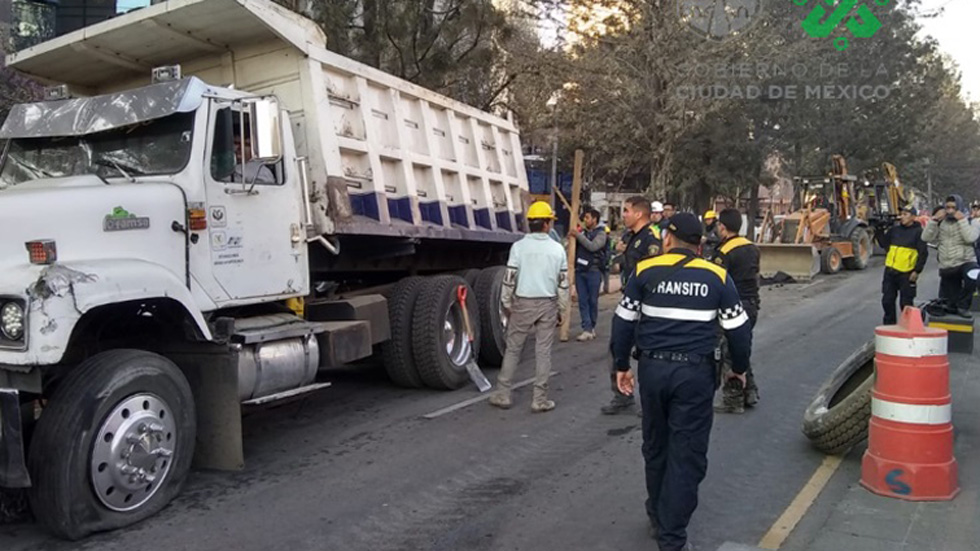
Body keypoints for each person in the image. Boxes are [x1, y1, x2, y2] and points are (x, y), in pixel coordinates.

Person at [611, 212, 752, 551]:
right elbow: (739, 330)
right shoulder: (717, 276)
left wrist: (620, 365)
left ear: (668, 240)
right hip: (695, 375)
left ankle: (659, 515)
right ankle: (673, 537)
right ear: (700, 245)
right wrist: (740, 368)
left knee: (656, 444)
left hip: (653, 371)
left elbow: (623, 322)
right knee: (686, 452)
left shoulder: (645, 271)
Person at [489, 201, 570, 413]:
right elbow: (563, 284)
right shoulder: (557, 249)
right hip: (548, 303)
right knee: (543, 351)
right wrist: (562, 309)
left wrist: (507, 303)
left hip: (522, 302)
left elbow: (509, 279)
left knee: (513, 349)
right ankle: (540, 398)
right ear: (546, 224)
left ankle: (503, 393)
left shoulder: (518, 247)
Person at [603, 196, 663, 415]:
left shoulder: (651, 238)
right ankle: (622, 394)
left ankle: (651, 402)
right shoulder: (631, 236)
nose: (624, 214)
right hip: (628, 301)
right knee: (617, 346)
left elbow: (654, 272)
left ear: (639, 214)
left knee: (647, 353)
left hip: (645, 305)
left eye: (627, 210)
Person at [711, 208, 762, 413]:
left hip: (733, 307)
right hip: (751, 305)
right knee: (741, 349)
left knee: (729, 352)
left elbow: (717, 281)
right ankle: (749, 391)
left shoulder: (723, 252)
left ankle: (733, 399)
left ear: (723, 227)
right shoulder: (752, 247)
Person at [922, 195, 980, 318]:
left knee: (974, 274)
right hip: (948, 264)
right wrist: (934, 221)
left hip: (966, 261)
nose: (950, 211)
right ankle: (955, 306)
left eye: (953, 207)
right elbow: (925, 238)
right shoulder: (941, 222)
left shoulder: (972, 221)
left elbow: (970, 238)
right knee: (950, 304)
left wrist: (962, 220)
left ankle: (964, 306)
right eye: (947, 207)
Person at [880, 206, 928, 325]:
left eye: (906, 214)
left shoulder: (918, 232)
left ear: (913, 217)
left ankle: (908, 326)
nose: (902, 217)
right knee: (887, 301)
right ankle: (889, 326)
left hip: (907, 273)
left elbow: (923, 253)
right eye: (902, 214)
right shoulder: (895, 230)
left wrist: (917, 271)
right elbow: (884, 244)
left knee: (906, 303)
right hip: (891, 271)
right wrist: (879, 230)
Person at [570, 208, 607, 341]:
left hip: (594, 271)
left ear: (595, 219)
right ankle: (587, 328)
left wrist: (578, 236)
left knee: (592, 301)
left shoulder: (601, 234)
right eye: (584, 218)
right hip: (580, 271)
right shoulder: (582, 233)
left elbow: (593, 247)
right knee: (583, 301)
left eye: (587, 218)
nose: (585, 220)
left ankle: (591, 326)